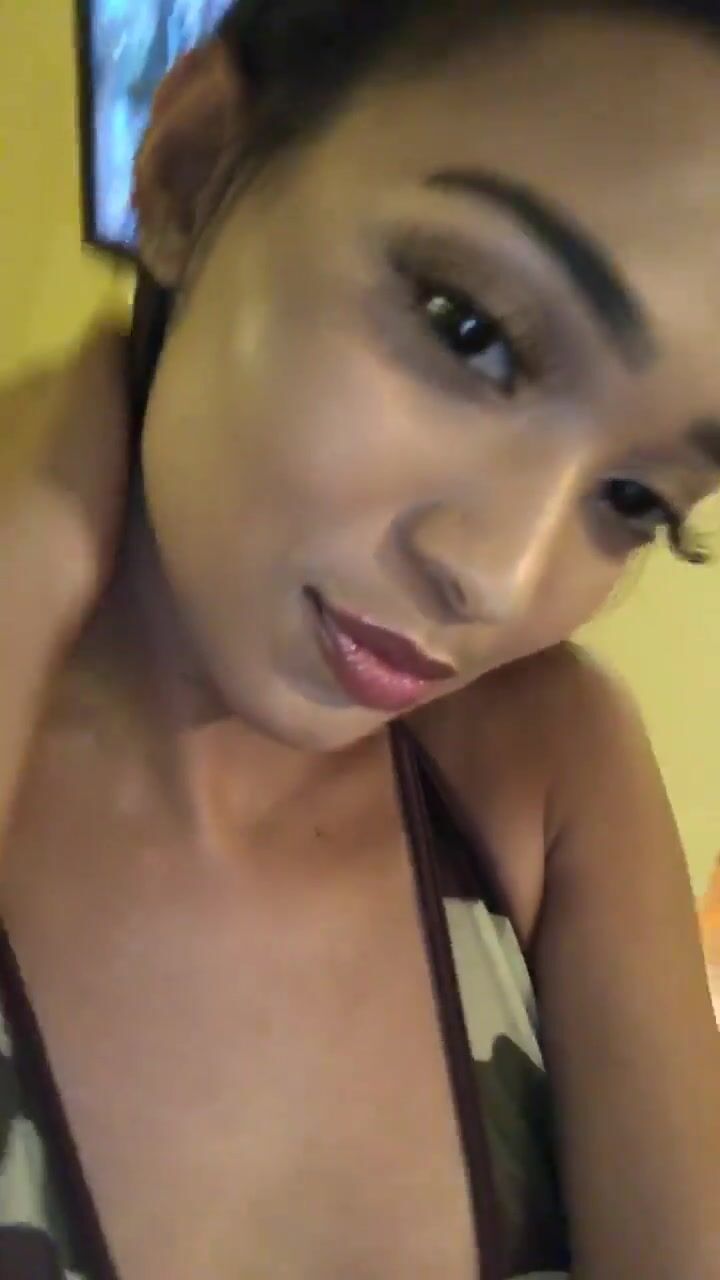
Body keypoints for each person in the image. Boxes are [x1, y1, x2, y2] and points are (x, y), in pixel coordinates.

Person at [1, 2, 720, 1276]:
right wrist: (30, 545)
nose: (496, 577)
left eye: (635, 500)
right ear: (193, 167)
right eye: (469, 329)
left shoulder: (545, 773)